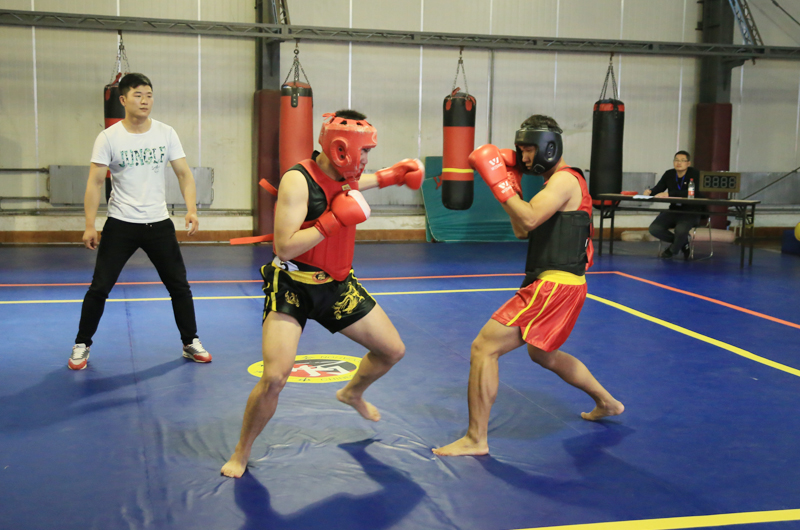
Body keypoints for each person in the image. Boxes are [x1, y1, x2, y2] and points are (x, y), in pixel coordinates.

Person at [221, 110, 425, 478]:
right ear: (341, 149)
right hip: (293, 286)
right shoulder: (297, 181)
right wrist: (332, 221)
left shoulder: (349, 176)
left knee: (392, 351)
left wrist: (393, 175)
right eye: (364, 152)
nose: (366, 160)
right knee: (275, 377)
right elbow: (284, 246)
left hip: (337, 285)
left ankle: (352, 393)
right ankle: (241, 451)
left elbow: (358, 184)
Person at [433, 115, 624, 457]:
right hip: (559, 282)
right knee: (543, 354)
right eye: (520, 150)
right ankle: (607, 402)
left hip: (555, 285)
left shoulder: (564, 180)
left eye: (529, 150)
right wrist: (513, 187)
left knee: (483, 348)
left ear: (549, 146)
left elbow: (530, 217)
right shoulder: (552, 184)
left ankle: (476, 439)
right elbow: (523, 229)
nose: (523, 157)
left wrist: (500, 184)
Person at [68, 73, 211, 370]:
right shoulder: (109, 137)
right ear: (122, 100)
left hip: (159, 223)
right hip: (121, 223)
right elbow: (95, 182)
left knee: (179, 286)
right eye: (138, 95)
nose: (145, 101)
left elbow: (184, 174)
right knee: (99, 287)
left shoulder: (166, 133)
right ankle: (82, 344)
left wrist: (192, 210)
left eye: (149, 95)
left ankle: (190, 341)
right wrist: (90, 224)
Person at [644, 151, 704, 259]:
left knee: (681, 230)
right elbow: (659, 188)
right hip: (674, 209)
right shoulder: (669, 174)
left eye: (682, 161)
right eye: (676, 160)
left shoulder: (695, 174)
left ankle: (672, 250)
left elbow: (693, 193)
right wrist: (650, 192)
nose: (679, 163)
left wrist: (670, 194)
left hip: (691, 211)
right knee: (654, 229)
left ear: (688, 163)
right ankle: (683, 242)